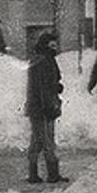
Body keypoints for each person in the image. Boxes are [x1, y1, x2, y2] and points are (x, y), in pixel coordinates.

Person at [25, 30, 67, 184]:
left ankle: (33, 174)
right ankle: (52, 174)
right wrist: (51, 105)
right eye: (52, 44)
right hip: (43, 108)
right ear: (46, 45)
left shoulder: (43, 59)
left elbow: (47, 84)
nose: (55, 47)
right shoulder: (44, 61)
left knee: (37, 141)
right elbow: (43, 87)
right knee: (47, 141)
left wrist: (56, 87)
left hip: (39, 106)